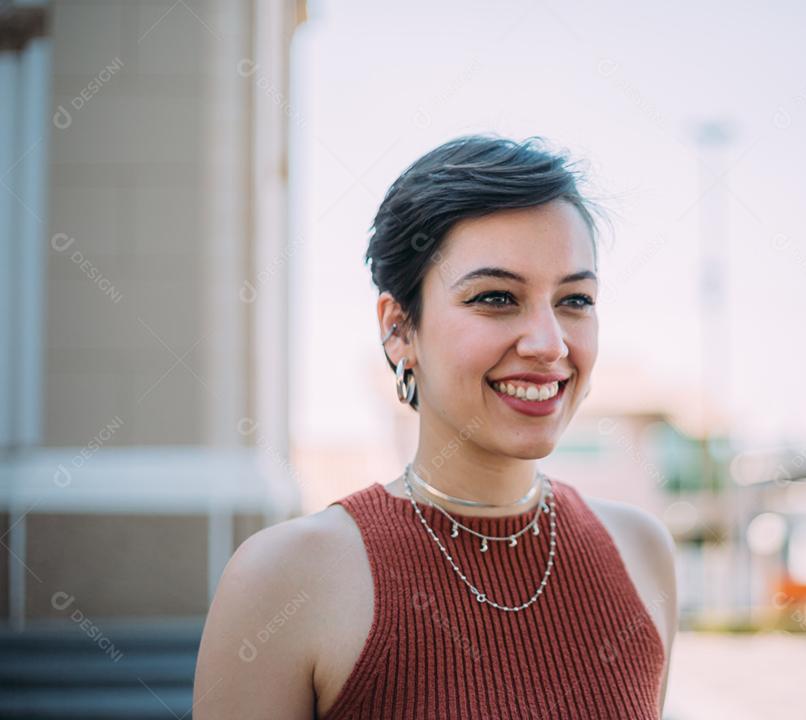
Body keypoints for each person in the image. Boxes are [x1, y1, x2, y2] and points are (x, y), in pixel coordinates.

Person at [193, 134, 678, 719]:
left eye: (575, 300)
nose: (550, 344)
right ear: (400, 328)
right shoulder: (288, 578)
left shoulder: (641, 552)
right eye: (497, 297)